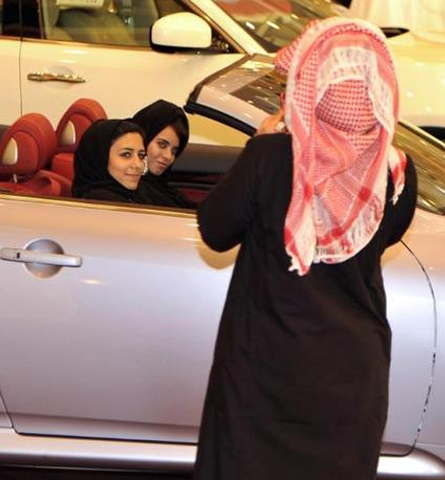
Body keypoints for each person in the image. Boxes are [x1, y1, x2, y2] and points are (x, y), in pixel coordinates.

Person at [193, 17, 417, 480]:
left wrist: (257, 144)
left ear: (310, 83)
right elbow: (381, 241)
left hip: (264, 373)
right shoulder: (396, 174)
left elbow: (215, 230)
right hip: (351, 377)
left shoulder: (271, 158)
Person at [132, 100, 193, 208]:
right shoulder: (130, 192)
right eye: (162, 145)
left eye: (174, 151)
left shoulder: (161, 190)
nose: (168, 156)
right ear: (142, 140)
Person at [72, 119, 147, 203]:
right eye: (126, 154)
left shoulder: (137, 194)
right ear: (100, 158)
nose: (138, 165)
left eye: (141, 156)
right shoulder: (99, 203)